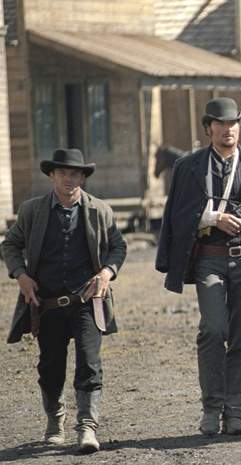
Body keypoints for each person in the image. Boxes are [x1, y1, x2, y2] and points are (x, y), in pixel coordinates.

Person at [156, 97, 241, 435]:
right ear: (208, 128)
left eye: (233, 123)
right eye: (220, 123)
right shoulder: (188, 167)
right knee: (214, 329)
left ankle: (235, 411)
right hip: (209, 260)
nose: (228, 129)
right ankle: (211, 407)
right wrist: (211, 217)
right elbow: (175, 215)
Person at [1, 148, 127, 453]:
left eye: (74, 174)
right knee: (51, 367)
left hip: (87, 302)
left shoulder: (100, 210)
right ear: (51, 176)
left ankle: (87, 426)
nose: (68, 179)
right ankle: (54, 419)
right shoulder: (32, 211)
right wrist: (21, 275)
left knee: (90, 362)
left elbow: (118, 248)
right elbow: (10, 244)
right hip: (47, 304)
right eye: (62, 173)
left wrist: (107, 274)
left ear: (83, 177)